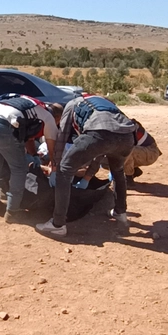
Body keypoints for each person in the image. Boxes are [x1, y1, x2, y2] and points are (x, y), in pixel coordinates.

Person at [35, 95, 136, 240]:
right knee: (118, 171)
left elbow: (62, 136)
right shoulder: (106, 104)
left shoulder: (72, 104)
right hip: (127, 137)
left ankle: (57, 225)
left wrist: (56, 166)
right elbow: (101, 150)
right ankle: (120, 212)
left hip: (99, 133)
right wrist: (88, 176)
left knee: (64, 170)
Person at [0, 93, 59, 223]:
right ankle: (12, 211)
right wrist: (53, 163)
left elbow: (29, 139)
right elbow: (52, 146)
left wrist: (35, 156)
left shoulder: (32, 107)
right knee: (19, 169)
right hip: (1, 125)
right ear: (57, 117)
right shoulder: (48, 117)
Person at [124, 119, 161, 184]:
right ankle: (135, 170)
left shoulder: (126, 125)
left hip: (150, 152)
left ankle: (128, 180)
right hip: (142, 150)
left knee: (125, 150)